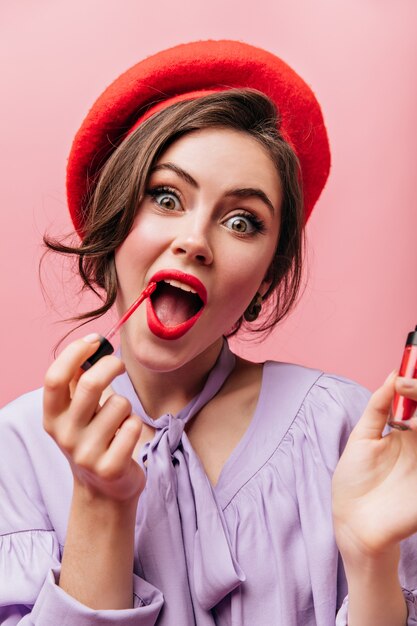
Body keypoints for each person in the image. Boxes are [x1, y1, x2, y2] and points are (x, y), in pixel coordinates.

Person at [0, 40, 416, 626]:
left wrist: (373, 560)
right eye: (166, 197)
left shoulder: (344, 431)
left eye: (241, 220)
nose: (195, 240)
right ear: (113, 219)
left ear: (267, 277)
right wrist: (100, 500)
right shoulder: (13, 453)